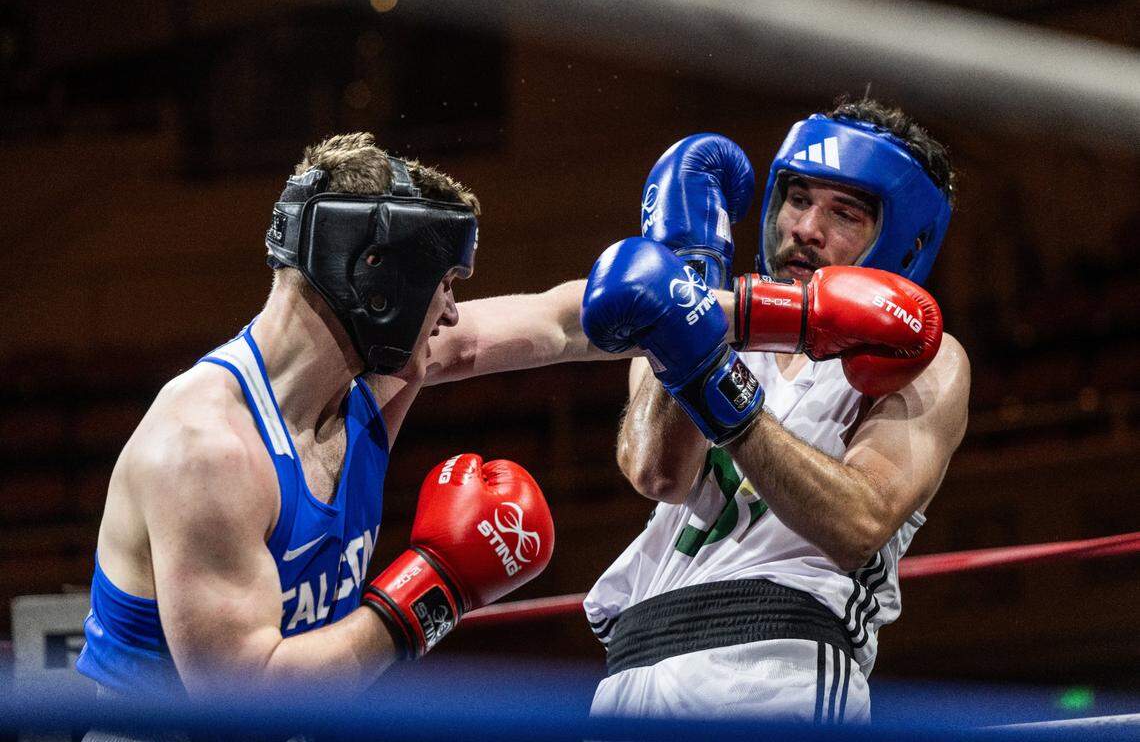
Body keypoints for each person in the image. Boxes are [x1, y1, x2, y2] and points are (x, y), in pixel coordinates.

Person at [76, 132, 615, 711]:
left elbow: (560, 325)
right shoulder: (208, 450)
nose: (453, 312)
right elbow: (244, 706)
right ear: (379, 279)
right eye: (444, 285)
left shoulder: (377, 385)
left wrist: (709, 308)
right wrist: (435, 584)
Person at [580, 99, 971, 723]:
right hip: (633, 666)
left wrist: (714, 382)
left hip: (779, 662)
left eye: (844, 212)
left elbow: (858, 522)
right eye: (797, 199)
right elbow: (657, 472)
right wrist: (691, 278)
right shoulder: (708, 312)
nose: (806, 229)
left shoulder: (923, 362)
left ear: (904, 240)